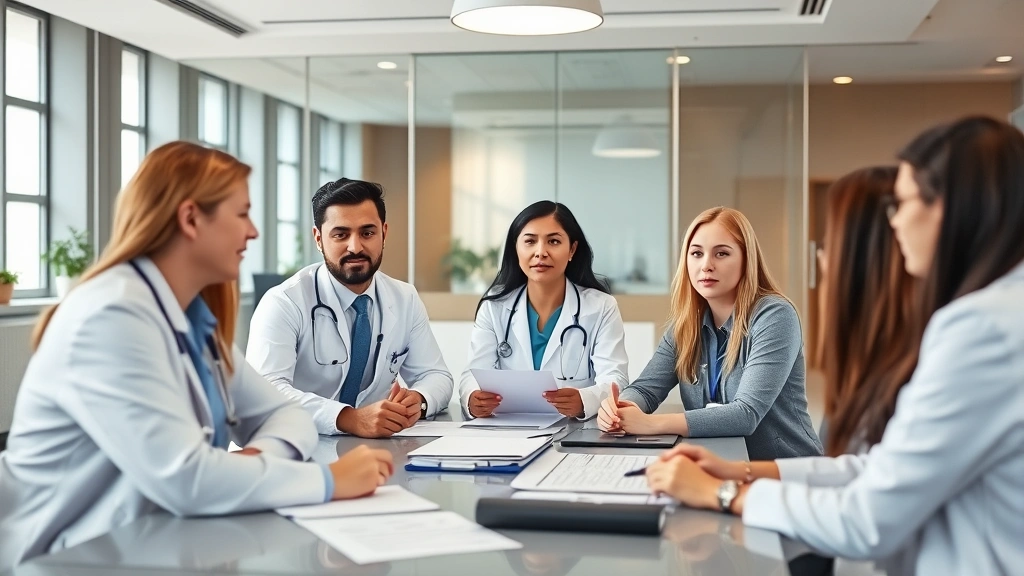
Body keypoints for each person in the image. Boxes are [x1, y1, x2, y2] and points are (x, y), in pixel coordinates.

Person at [645, 116, 1024, 575]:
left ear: (953, 206)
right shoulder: (989, 316)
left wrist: (720, 493)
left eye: (902, 203)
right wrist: (738, 472)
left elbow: (868, 518)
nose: (897, 221)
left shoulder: (978, 329)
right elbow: (871, 469)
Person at [0, 142, 393, 571]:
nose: (253, 232)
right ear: (191, 218)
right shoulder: (110, 315)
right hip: (64, 560)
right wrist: (327, 480)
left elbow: (288, 416)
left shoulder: (189, 316)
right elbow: (188, 480)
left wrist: (245, 466)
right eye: (241, 213)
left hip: (151, 546)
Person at [598, 207, 822, 461]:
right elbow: (646, 389)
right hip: (718, 465)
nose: (706, 265)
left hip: (783, 472)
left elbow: (745, 414)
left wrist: (650, 424)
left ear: (747, 260)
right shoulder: (686, 324)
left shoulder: (775, 316)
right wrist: (622, 409)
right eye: (696, 253)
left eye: (722, 253)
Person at [246, 178, 453, 438]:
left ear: (384, 233)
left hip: (374, 450)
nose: (355, 247)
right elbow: (264, 392)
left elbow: (437, 375)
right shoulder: (284, 302)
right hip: (295, 445)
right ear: (318, 238)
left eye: (367, 233)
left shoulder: (404, 298)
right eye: (341, 234)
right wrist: (348, 418)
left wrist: (419, 399)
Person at [460, 200, 628, 420]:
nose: (541, 252)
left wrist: (585, 400)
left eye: (554, 241)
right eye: (530, 241)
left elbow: (615, 378)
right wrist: (474, 399)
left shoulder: (601, 307)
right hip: (507, 431)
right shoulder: (494, 308)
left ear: (572, 250)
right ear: (516, 248)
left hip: (574, 432)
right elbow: (473, 374)